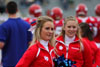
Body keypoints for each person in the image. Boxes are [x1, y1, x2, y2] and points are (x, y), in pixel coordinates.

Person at [0, 1, 32, 67]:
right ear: (17, 10)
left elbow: (1, 45)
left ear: (7, 10)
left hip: (9, 62)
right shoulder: (27, 25)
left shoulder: (4, 26)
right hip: (24, 62)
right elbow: (31, 44)